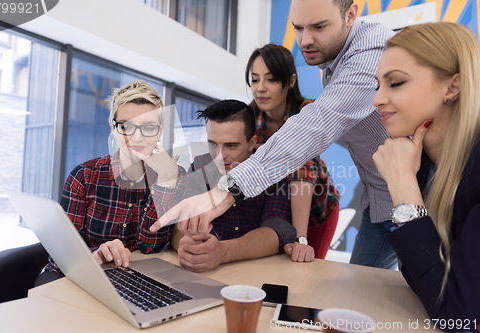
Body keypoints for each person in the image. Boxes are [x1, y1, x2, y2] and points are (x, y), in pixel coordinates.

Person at [151, 0, 398, 270]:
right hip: (377, 200)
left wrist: (299, 235)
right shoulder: (250, 116)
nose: (305, 40)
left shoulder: (364, 57)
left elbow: (307, 153)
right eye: (298, 28)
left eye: (318, 26)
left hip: (316, 205)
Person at [372, 22, 480, 331]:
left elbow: (460, 318)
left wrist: (402, 185)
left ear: (452, 87)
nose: (377, 100)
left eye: (395, 83)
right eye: (377, 85)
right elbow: (422, 278)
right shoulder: (426, 166)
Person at [35, 81, 184, 285]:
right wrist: (97, 253)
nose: (137, 136)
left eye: (148, 127)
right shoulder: (85, 175)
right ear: (113, 127)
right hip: (74, 276)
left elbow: (151, 246)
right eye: (126, 126)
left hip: (133, 279)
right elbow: (62, 253)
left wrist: (166, 182)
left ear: (160, 130)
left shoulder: (173, 175)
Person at [171, 99, 298, 272]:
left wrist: (223, 252)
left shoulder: (273, 172)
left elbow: (276, 231)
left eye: (231, 145)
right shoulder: (200, 166)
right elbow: (180, 226)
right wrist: (189, 248)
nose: (220, 156)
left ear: (251, 143)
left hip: (259, 273)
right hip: (210, 274)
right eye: (213, 144)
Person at [246, 43, 340, 262]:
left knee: (304, 268)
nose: (260, 88)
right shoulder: (248, 119)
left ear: (290, 81)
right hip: (273, 211)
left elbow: (302, 170)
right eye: (255, 79)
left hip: (316, 213)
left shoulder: (308, 112)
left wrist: (300, 239)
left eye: (270, 79)